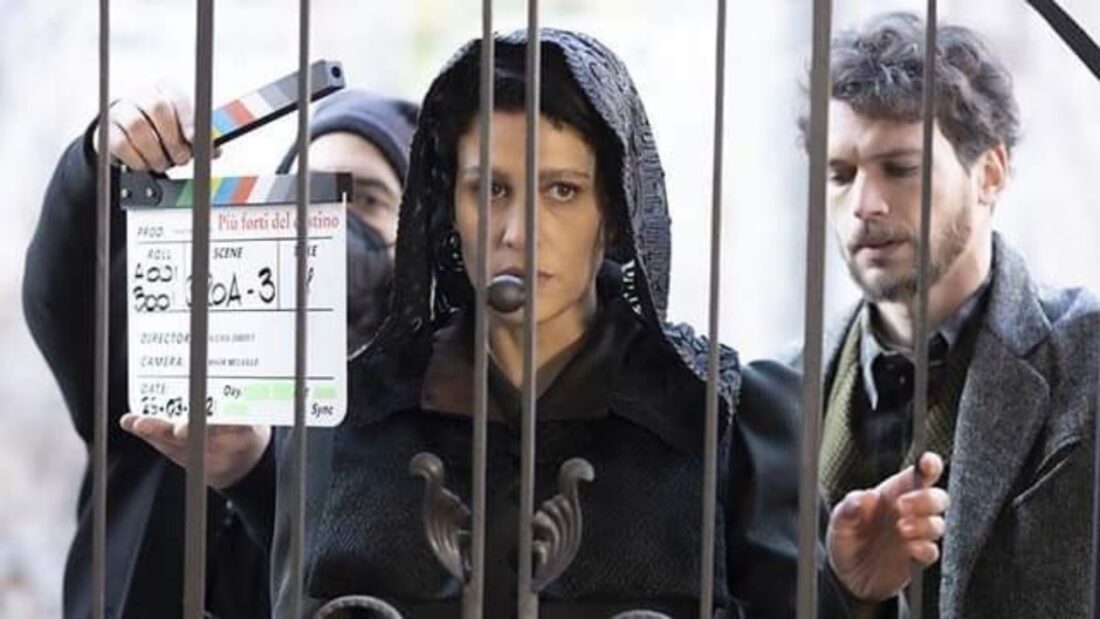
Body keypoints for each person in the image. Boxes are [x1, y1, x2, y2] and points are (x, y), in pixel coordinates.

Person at [225, 28, 948, 617]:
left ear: (614, 212)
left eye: (562, 191)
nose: (518, 231)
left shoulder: (732, 419)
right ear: (449, 206)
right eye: (490, 189)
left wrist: (847, 594)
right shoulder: (346, 419)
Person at [23, 85, 417, 618]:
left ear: (413, 232)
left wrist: (255, 473)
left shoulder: (426, 409)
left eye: (366, 200)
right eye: (310, 193)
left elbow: (377, 573)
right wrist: (100, 161)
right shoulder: (181, 335)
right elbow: (63, 298)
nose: (331, 217)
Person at [801, 12, 1100, 618]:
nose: (864, 204)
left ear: (990, 173)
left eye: (900, 169)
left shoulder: (1088, 358)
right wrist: (850, 596)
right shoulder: (779, 387)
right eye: (840, 175)